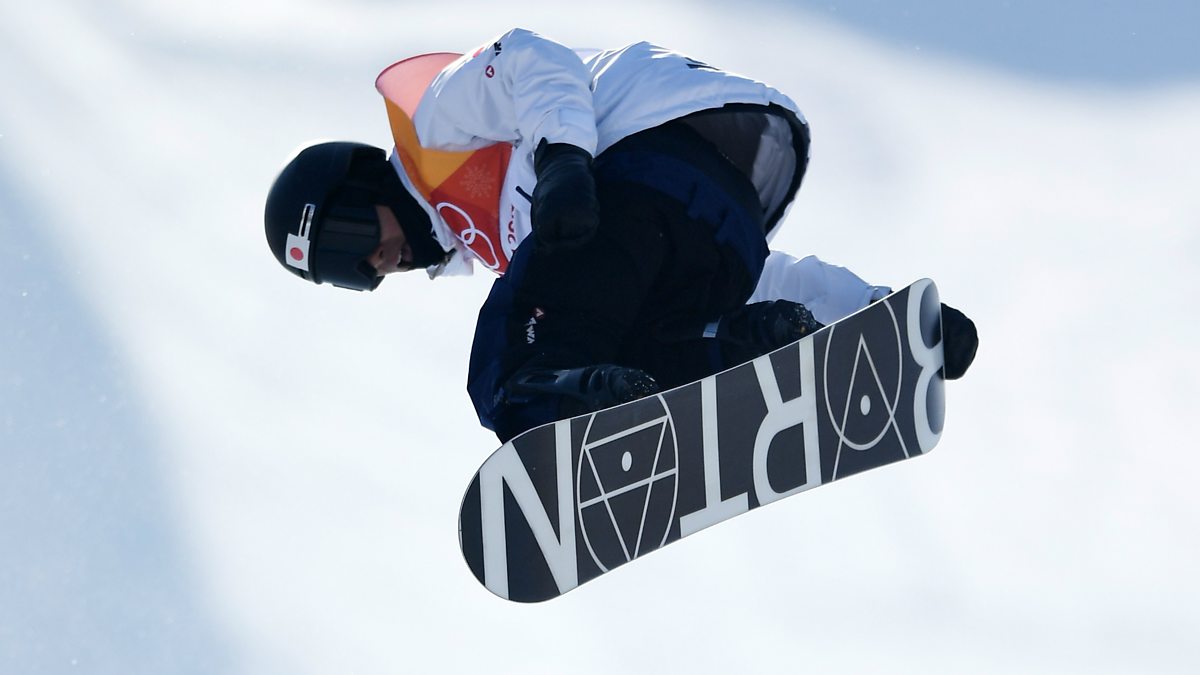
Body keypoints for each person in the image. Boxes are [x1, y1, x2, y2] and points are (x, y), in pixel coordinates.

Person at [264, 28, 978, 441]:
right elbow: (766, 274)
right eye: (348, 271)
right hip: (723, 207)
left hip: (652, 144)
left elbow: (531, 61)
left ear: (363, 182)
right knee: (645, 345)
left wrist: (565, 161)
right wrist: (891, 322)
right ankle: (752, 345)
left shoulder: (434, 129)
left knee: (507, 376)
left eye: (348, 236)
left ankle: (562, 413)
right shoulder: (513, 238)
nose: (373, 260)